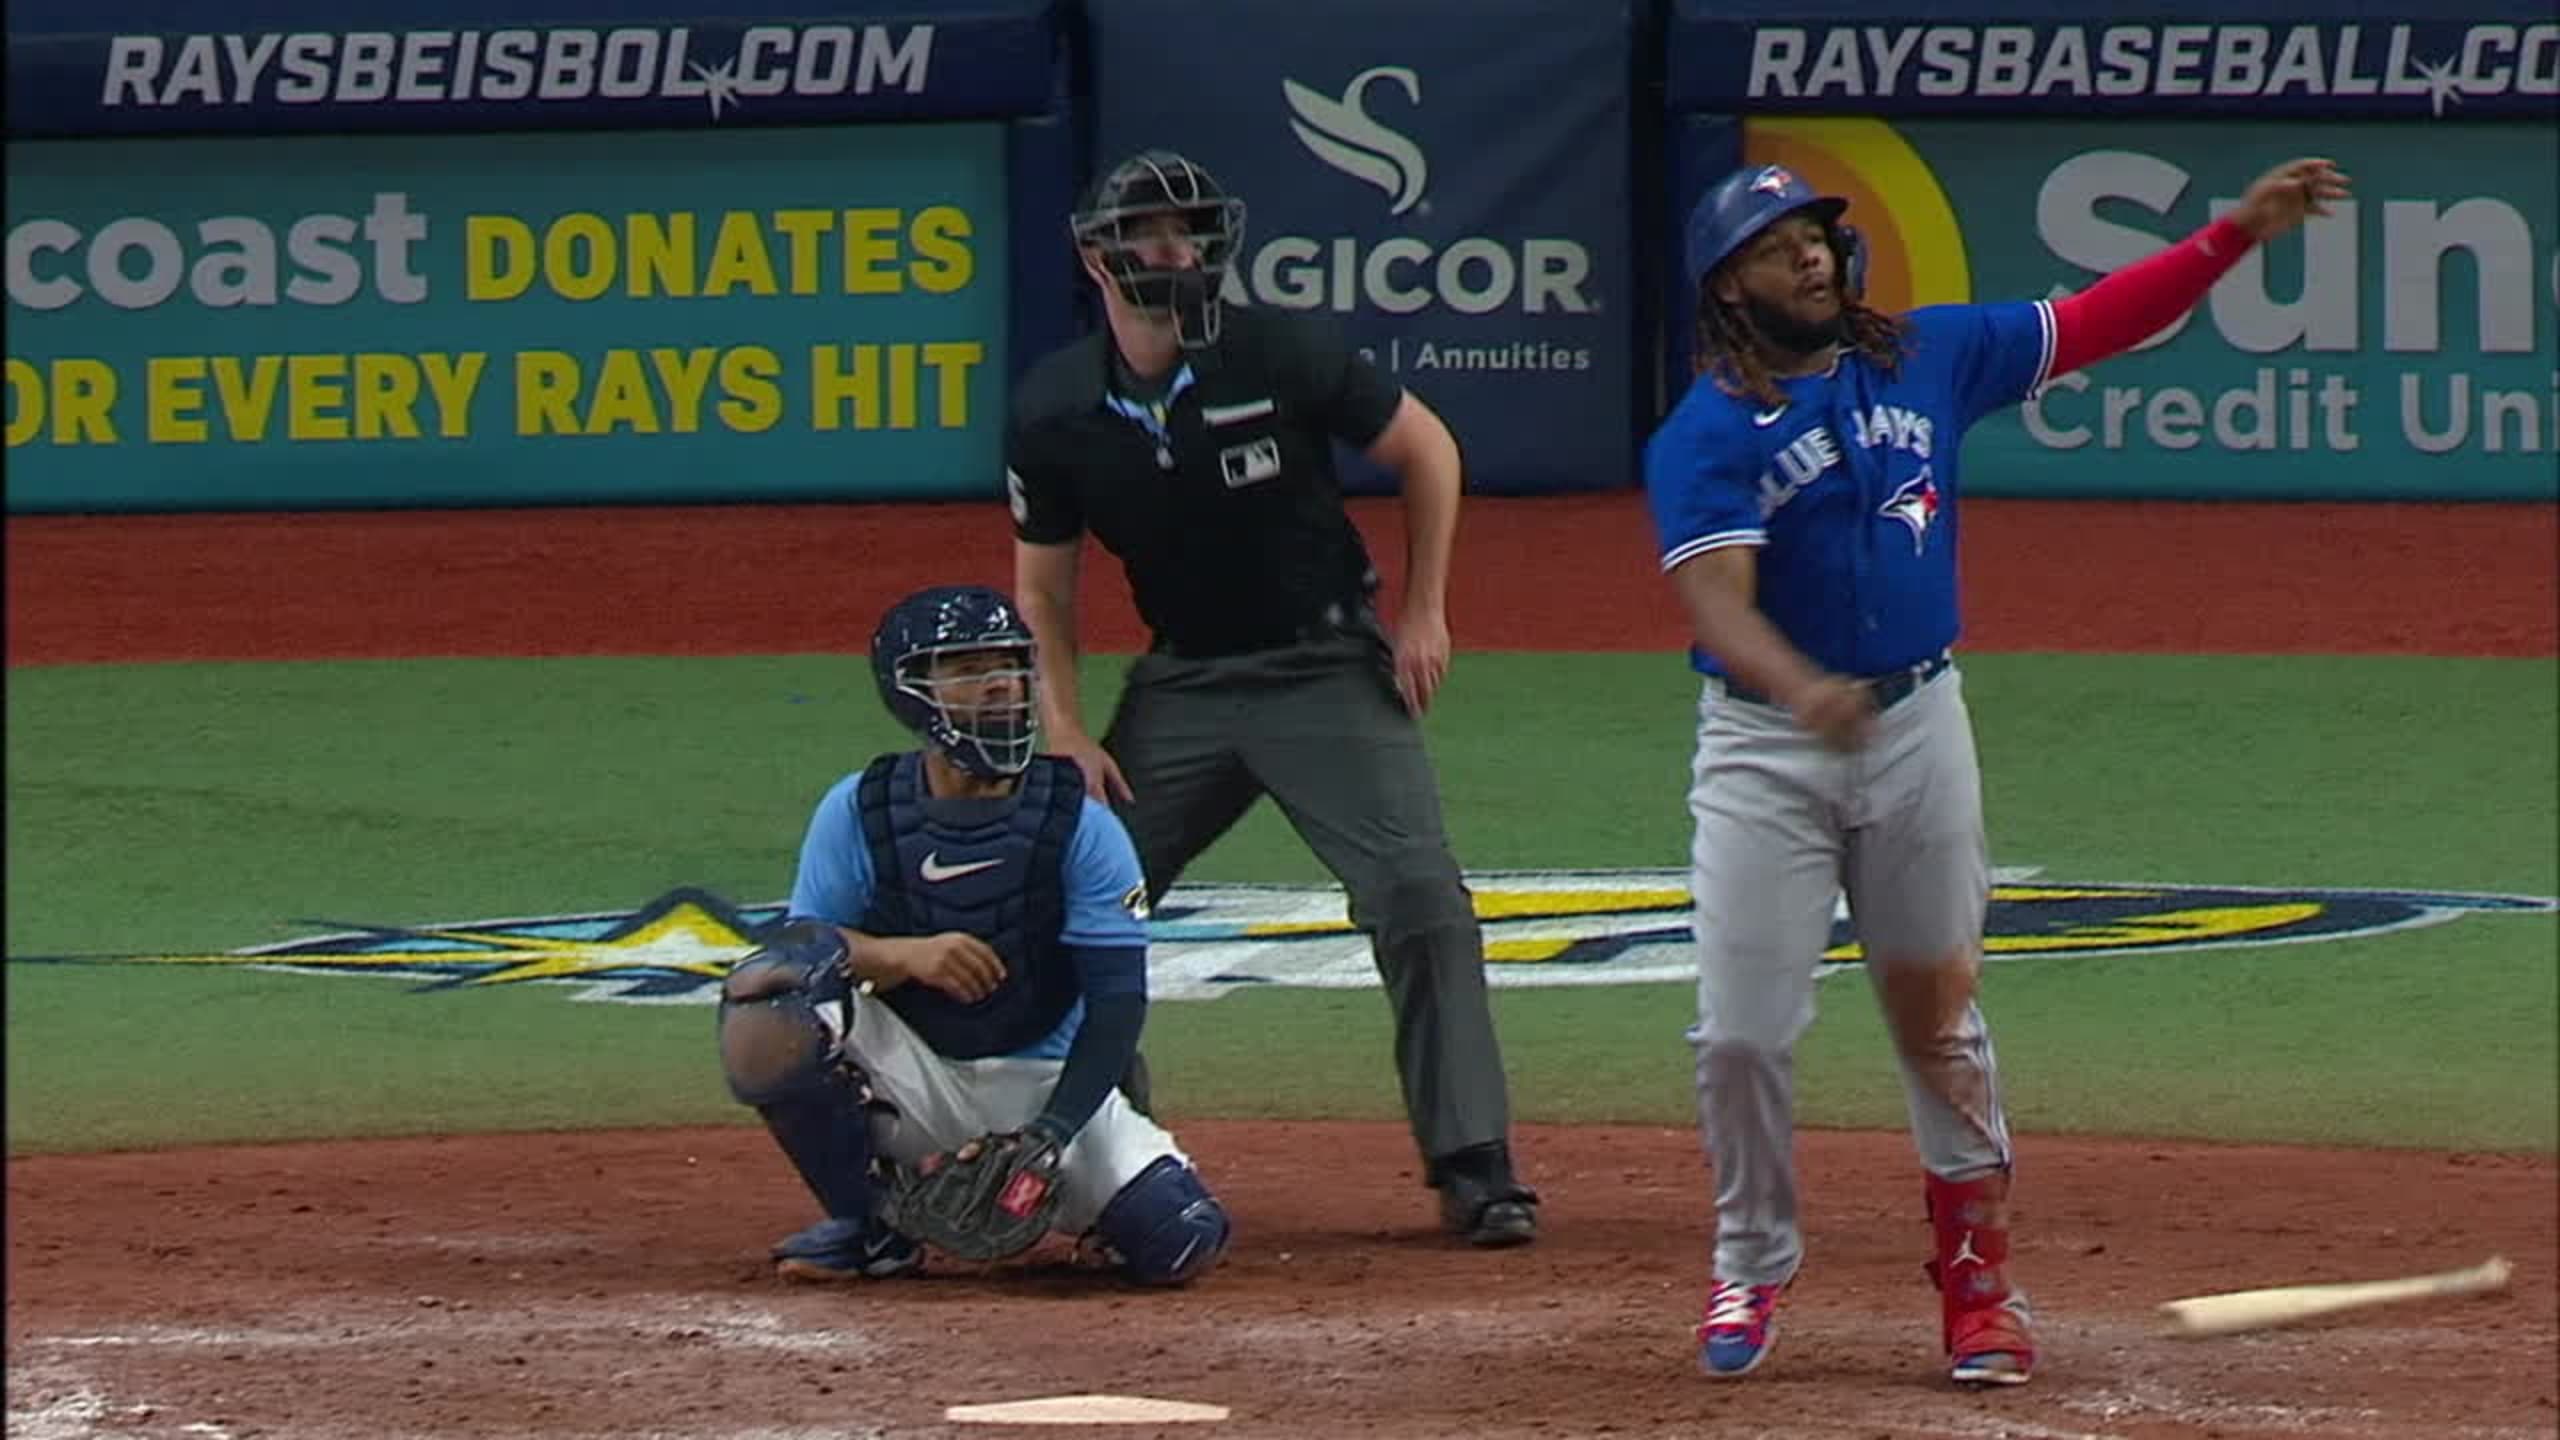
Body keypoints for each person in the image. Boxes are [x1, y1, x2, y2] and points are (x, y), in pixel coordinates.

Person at [1647, 156, 2351, 1384]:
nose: (1807, 256)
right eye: (1775, 247)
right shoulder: (1705, 434)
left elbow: (2096, 321)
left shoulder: (1929, 356)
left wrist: (2233, 235)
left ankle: (1978, 1287)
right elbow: (1715, 604)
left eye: (1814, 233)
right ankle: (1750, 1264)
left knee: (1939, 1021)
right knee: (1740, 1036)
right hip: (1767, 751)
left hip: (1919, 727)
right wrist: (1804, 686)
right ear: (1726, 288)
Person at [1005, 149, 1539, 1247]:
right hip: (1183, 682)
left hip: (1322, 668)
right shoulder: (1055, 407)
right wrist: (1063, 728)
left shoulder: (1275, 347)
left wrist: (1426, 609)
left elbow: (1426, 448)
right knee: (1071, 894)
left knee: (1419, 895)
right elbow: (1041, 587)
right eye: (1150, 234)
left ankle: (1473, 1162)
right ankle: (1113, 1154)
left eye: (1189, 231)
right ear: (1096, 256)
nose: (1175, 252)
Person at [714, 583, 1230, 1288]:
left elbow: (1117, 1007)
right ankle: (871, 1228)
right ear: (914, 693)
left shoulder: (1082, 824)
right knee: (765, 1003)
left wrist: (1049, 1137)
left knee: (1180, 1239)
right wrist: (902, 955)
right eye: (968, 670)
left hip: (1048, 1091)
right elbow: (798, 949)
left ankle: (1091, 1200)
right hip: (915, 1076)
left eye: (1011, 667)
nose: (1001, 688)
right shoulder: (860, 810)